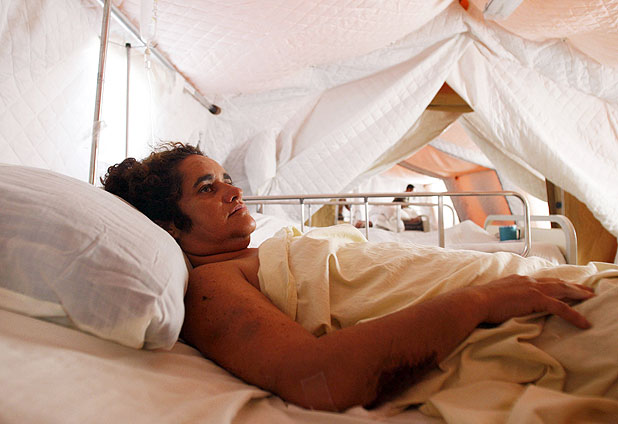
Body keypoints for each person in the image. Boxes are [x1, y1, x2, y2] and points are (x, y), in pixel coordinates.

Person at [102, 142, 594, 412]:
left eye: (227, 179)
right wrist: (482, 301)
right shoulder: (213, 285)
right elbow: (317, 378)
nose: (233, 191)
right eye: (207, 188)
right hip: (525, 313)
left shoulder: (259, 250)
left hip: (536, 282)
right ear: (170, 224)